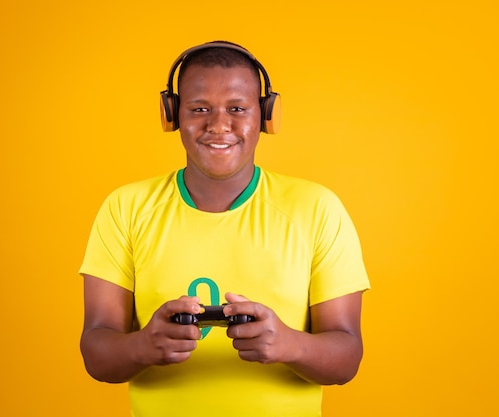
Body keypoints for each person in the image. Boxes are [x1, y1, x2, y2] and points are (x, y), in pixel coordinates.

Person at [80, 41, 370, 417]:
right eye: (199, 109)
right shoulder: (125, 208)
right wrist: (143, 345)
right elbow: (96, 353)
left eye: (237, 109)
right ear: (173, 115)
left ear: (265, 116)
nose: (218, 125)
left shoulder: (317, 209)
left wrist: (288, 344)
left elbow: (347, 358)